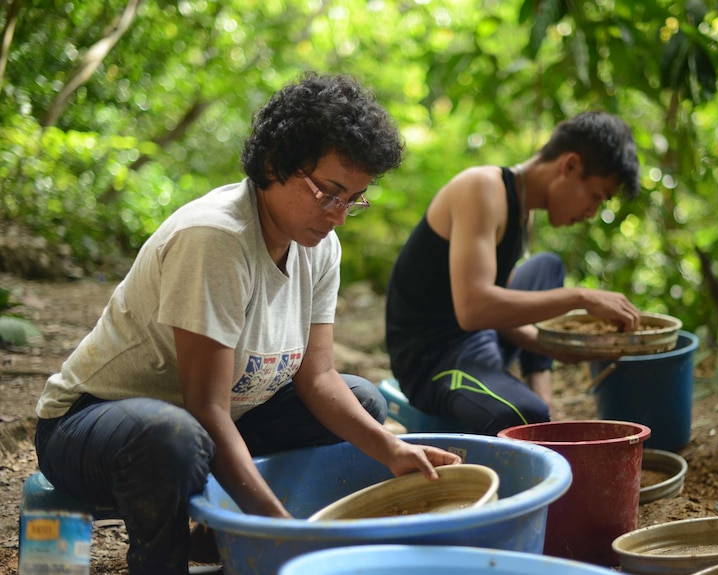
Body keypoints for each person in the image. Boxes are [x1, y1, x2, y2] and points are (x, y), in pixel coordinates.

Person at [33, 72, 461, 575]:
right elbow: (206, 408)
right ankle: (164, 559)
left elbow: (318, 379)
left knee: (364, 401)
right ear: (275, 163)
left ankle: (214, 539)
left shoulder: (318, 247)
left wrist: (391, 449)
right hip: (93, 426)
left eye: (353, 199)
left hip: (203, 423)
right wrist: (280, 531)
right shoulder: (215, 239)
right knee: (174, 436)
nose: (339, 215)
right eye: (330, 192)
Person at [385, 110, 642, 435]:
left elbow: (499, 314)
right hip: (434, 360)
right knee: (526, 418)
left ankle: (541, 396)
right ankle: (535, 410)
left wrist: (556, 346)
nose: (592, 212)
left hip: (480, 339)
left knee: (546, 267)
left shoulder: (523, 212)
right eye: (596, 196)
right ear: (570, 165)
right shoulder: (480, 188)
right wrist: (582, 297)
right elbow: (474, 310)